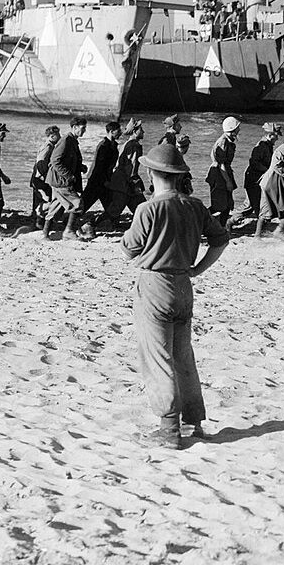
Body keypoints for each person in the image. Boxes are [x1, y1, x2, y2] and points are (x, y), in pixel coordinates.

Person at [121, 144, 231, 449]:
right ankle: (193, 421)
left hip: (155, 285)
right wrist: (197, 269)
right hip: (184, 284)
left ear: (151, 173)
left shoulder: (148, 209)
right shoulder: (195, 206)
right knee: (183, 355)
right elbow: (221, 240)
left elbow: (128, 249)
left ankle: (169, 428)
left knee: (158, 357)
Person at [44, 117, 92, 240]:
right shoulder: (66, 140)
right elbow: (55, 160)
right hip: (61, 181)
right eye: (82, 128)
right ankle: (69, 231)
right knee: (78, 203)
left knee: (56, 206)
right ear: (74, 127)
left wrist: (80, 166)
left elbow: (68, 159)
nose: (84, 131)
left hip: (58, 180)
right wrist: (68, 176)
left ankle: (45, 233)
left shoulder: (72, 140)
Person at [81, 121, 124, 232]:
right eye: (118, 131)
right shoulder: (104, 146)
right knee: (85, 203)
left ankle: (112, 222)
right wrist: (104, 181)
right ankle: (68, 223)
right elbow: (99, 166)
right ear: (111, 131)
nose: (120, 133)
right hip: (97, 180)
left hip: (104, 180)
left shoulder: (113, 145)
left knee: (110, 203)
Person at [105, 119, 147, 226]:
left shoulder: (127, 143)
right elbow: (131, 168)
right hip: (124, 183)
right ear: (134, 132)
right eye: (141, 130)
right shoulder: (134, 145)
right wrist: (135, 184)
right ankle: (90, 225)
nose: (143, 132)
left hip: (122, 182)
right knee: (115, 210)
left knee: (139, 207)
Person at [206, 117, 241, 228]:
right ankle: (199, 219)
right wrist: (228, 182)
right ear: (232, 129)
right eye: (237, 128)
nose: (239, 129)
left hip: (224, 173)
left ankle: (222, 227)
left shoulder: (229, 141)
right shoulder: (223, 142)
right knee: (219, 206)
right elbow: (221, 164)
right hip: (219, 175)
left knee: (228, 205)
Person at [240, 123, 279, 218]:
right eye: (276, 136)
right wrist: (267, 171)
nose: (277, 138)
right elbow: (254, 163)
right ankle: (230, 222)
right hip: (254, 179)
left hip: (258, 178)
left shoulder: (268, 145)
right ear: (270, 135)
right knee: (250, 206)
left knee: (255, 205)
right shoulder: (262, 146)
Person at [31, 126, 61, 227]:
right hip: (40, 179)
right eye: (58, 135)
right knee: (46, 199)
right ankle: (39, 221)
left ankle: (38, 221)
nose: (60, 137)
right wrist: (45, 176)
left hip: (39, 178)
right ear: (52, 136)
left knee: (40, 200)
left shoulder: (49, 146)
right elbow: (40, 163)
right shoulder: (48, 147)